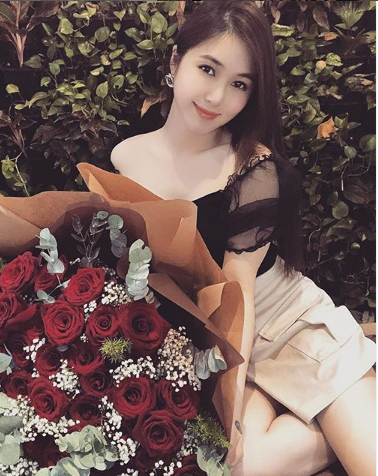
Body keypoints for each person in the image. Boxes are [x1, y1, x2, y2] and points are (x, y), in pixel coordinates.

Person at [109, 2, 376, 476]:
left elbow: (240, 291)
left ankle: (345, 397)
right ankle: (327, 425)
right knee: (235, 469)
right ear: (175, 61)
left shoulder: (254, 169)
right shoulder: (123, 159)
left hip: (287, 328)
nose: (216, 96)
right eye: (207, 69)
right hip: (211, 344)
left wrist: (230, 406)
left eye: (239, 84)